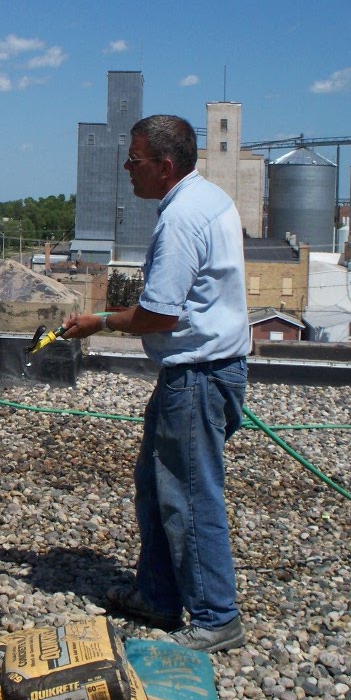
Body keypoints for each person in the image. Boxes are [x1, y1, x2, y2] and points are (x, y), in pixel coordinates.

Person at [62, 114, 249, 653]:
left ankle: (216, 618)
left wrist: (99, 321)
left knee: (189, 496)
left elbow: (159, 315)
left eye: (135, 159)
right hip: (206, 371)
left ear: (165, 167)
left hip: (196, 376)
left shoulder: (182, 219)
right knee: (158, 484)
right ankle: (160, 595)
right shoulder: (210, 199)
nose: (126, 168)